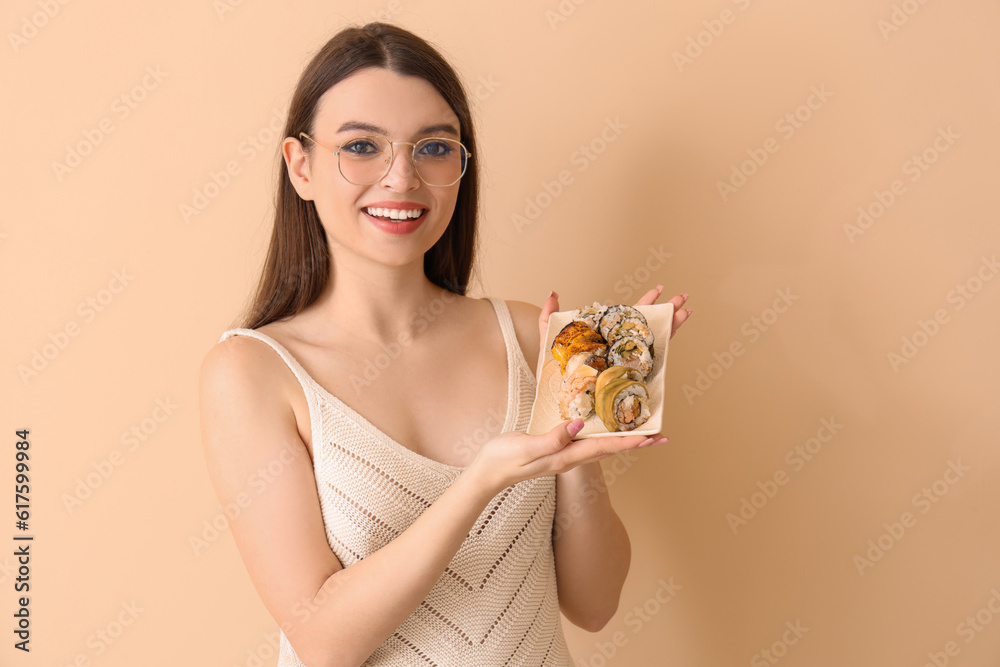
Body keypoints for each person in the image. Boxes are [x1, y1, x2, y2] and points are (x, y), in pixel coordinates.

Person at [198, 22, 692, 667]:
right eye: (361, 146)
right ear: (301, 166)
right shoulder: (252, 372)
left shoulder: (530, 336)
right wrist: (480, 482)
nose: (402, 177)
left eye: (434, 147)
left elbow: (595, 606)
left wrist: (574, 439)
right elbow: (323, 642)